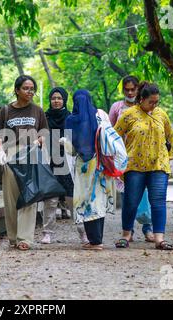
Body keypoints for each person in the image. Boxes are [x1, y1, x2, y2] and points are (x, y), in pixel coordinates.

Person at [114, 82, 173, 250]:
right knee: (131, 202)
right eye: (151, 102)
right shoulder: (128, 115)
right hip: (135, 166)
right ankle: (126, 235)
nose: (154, 105)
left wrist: (168, 157)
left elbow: (170, 136)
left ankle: (159, 239)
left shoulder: (161, 114)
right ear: (141, 99)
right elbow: (114, 136)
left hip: (158, 166)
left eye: (157, 102)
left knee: (158, 202)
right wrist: (119, 159)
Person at [0, 75, 49, 251]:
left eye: (32, 88)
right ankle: (13, 236)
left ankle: (25, 238)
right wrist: (0, 150)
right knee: (11, 197)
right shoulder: (5, 110)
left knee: (29, 195)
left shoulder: (37, 110)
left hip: (31, 152)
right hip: (11, 153)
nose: (30, 91)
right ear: (17, 90)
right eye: (26, 88)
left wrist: (38, 141)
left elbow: (44, 132)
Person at [64, 90, 119, 250]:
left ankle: (95, 241)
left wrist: (63, 142)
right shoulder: (101, 114)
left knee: (86, 201)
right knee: (98, 201)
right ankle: (98, 239)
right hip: (101, 164)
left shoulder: (70, 120)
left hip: (84, 167)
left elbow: (71, 150)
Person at [109, 75, 155, 242]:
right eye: (126, 89)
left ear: (138, 90)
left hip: (145, 158)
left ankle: (148, 229)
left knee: (146, 193)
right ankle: (128, 232)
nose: (130, 92)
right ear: (122, 90)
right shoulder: (117, 107)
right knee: (129, 196)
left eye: (133, 89)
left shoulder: (146, 106)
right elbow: (111, 132)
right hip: (124, 158)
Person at [41, 87, 88, 245]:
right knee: (50, 199)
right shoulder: (45, 117)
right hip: (50, 162)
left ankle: (82, 232)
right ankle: (47, 232)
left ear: (64, 100)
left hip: (68, 163)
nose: (56, 101)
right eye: (53, 98)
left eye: (59, 98)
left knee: (73, 199)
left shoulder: (70, 117)